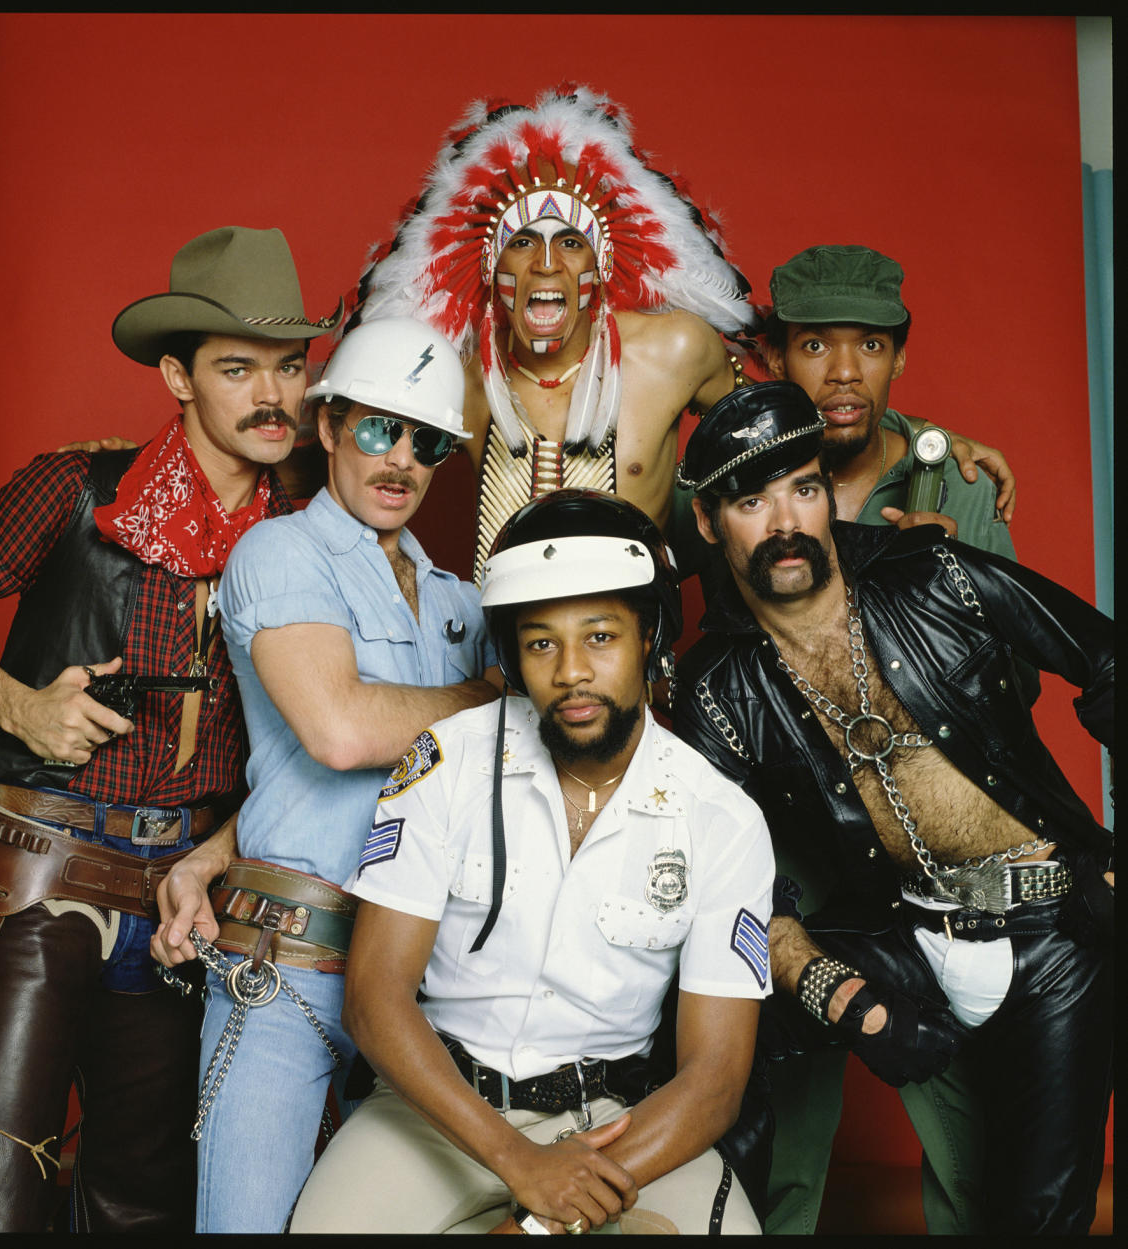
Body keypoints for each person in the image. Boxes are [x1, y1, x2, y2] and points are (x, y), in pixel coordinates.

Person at [0, 225, 340, 1232]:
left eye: (288, 367)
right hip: (45, 867)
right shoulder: (76, 489)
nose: (273, 397)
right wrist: (19, 704)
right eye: (239, 369)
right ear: (178, 376)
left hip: (193, 892)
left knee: (147, 1200)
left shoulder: (312, 529)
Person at [670, 380, 1114, 1236]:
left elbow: (1106, 661)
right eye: (752, 500)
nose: (787, 521)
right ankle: (724, 1223)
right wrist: (845, 998)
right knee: (719, 1000)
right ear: (707, 521)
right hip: (909, 929)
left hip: (1054, 929)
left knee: (1036, 1215)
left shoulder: (937, 578)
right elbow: (722, 891)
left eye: (803, 488)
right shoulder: (720, 688)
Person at [289, 489, 775, 1236]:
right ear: (514, 654)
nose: (572, 670)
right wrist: (523, 1166)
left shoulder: (723, 819)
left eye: (601, 636)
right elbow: (373, 999)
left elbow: (715, 1079)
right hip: (436, 1107)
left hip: (618, 1124)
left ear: (649, 636)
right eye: (542, 642)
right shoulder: (447, 760)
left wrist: (547, 1218)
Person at [148, 315, 499, 1233]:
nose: (401, 460)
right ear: (331, 424)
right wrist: (501, 701)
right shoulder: (281, 553)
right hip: (291, 960)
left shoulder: (464, 603)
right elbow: (338, 731)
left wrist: (216, 845)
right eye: (380, 427)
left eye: (426, 441)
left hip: (429, 976)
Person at [350, 84, 760, 581]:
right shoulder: (457, 372)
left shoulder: (677, 349)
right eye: (522, 243)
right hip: (499, 651)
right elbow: (350, 450)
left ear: (602, 263)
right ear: (491, 266)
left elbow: (767, 457)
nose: (546, 265)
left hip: (634, 643)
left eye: (570, 242)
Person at [759, 243, 1017, 548]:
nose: (844, 372)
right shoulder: (731, 477)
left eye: (870, 346)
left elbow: (1001, 597)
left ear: (898, 359)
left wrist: (944, 576)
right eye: (815, 345)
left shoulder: (963, 485)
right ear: (776, 359)